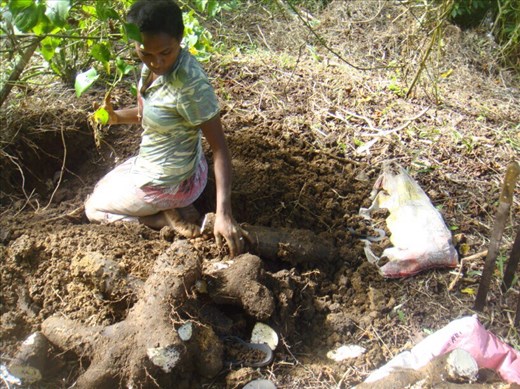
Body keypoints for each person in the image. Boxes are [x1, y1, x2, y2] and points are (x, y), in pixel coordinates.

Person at [85, 0, 247, 257]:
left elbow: (220, 149)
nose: (157, 62)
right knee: (102, 186)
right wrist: (115, 117)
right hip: (164, 165)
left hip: (171, 181)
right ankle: (168, 207)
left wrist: (223, 214)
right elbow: (148, 114)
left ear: (180, 39)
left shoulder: (191, 86)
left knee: (93, 208)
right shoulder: (150, 67)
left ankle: (159, 220)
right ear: (136, 43)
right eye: (146, 54)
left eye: (165, 53)